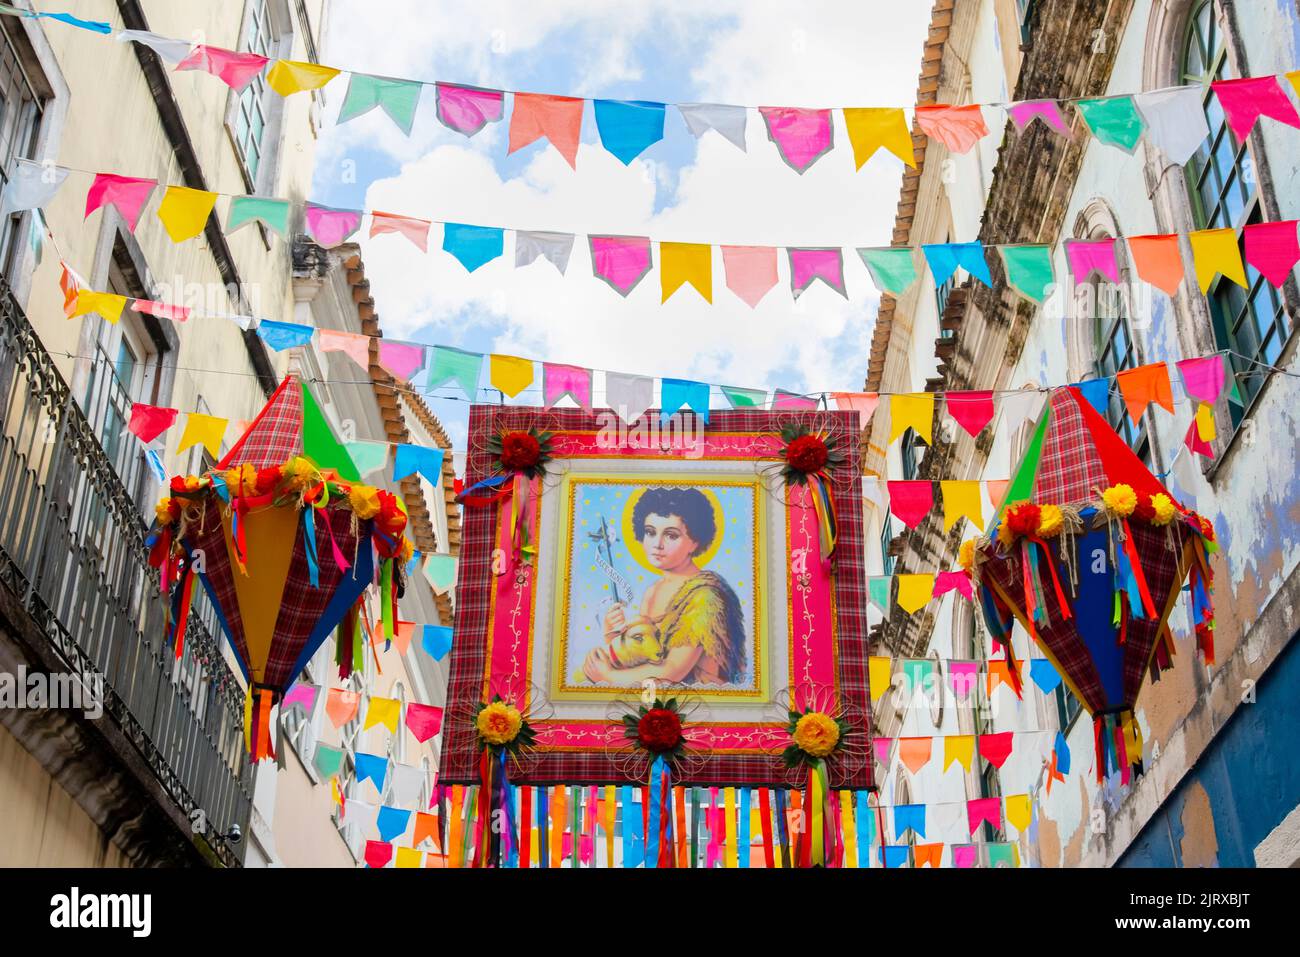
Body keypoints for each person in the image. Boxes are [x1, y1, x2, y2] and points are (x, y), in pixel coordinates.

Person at [583, 486, 746, 686]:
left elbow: (672, 671)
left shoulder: (706, 597)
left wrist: (607, 676)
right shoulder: (653, 591)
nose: (657, 544)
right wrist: (613, 636)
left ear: (695, 541)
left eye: (671, 535)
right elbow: (647, 657)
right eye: (650, 532)